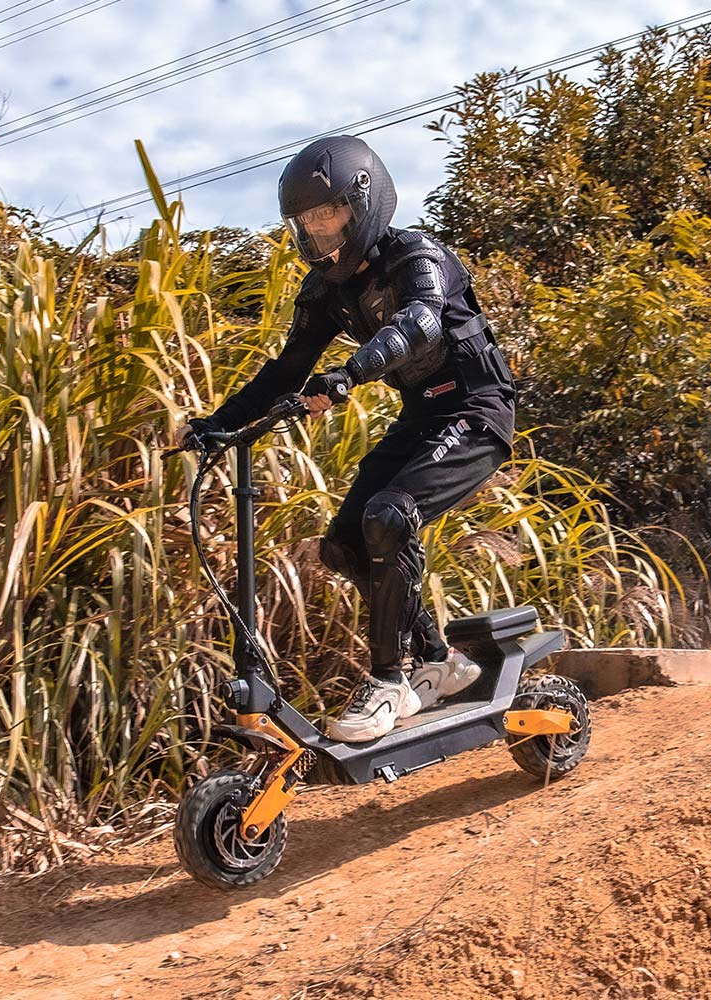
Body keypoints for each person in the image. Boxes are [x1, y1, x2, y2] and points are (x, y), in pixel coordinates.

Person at [180, 135, 517, 742]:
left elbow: (419, 322)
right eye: (306, 220)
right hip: (423, 419)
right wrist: (213, 427)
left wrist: (350, 374)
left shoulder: (419, 258)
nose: (318, 231)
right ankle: (440, 662)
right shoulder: (325, 293)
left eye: (327, 213)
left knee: (391, 516)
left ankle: (391, 681)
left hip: (475, 411)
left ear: (363, 201)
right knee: (343, 546)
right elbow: (284, 372)